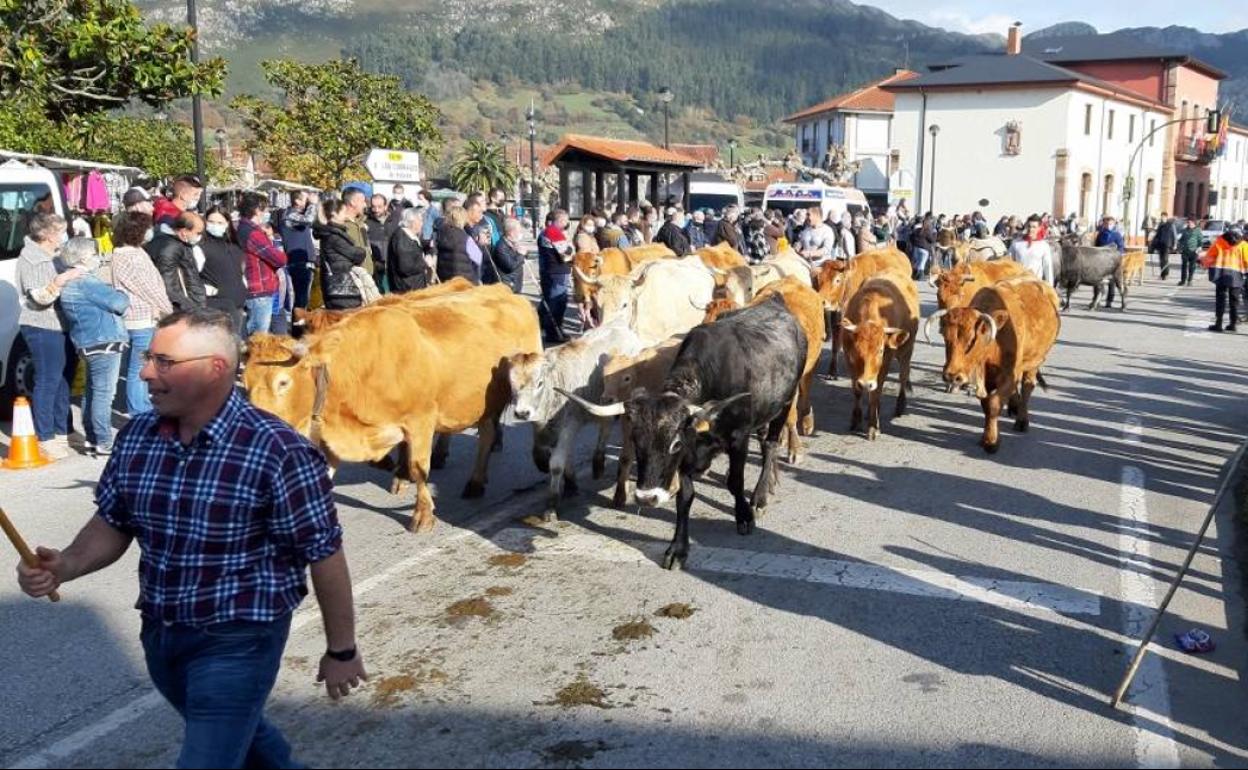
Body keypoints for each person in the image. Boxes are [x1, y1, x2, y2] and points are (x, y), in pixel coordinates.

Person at [16, 307, 366, 768]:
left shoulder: (278, 451)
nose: (144, 373)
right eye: (148, 357)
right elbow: (115, 520)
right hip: (162, 635)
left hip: (240, 640)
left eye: (163, 362)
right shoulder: (139, 435)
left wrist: (341, 649)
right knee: (244, 738)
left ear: (213, 369)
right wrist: (65, 565)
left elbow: (323, 552)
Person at [16, 212, 82, 460]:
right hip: (42, 326)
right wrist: (61, 280)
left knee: (64, 378)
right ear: (45, 234)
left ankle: (63, 429)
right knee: (47, 380)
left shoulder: (54, 255)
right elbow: (38, 298)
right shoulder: (31, 259)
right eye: (59, 232)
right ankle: (45, 437)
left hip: (62, 325)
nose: (62, 236)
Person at [56, 238, 128, 457]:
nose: (98, 258)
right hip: (103, 340)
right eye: (94, 254)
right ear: (84, 257)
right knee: (104, 394)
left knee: (92, 392)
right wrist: (123, 293)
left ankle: (92, 438)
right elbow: (118, 303)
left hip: (87, 341)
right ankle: (104, 441)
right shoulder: (86, 282)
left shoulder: (70, 283)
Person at [110, 212, 173, 416]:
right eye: (147, 227)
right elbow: (148, 288)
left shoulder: (126, 253)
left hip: (136, 317)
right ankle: (139, 411)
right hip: (140, 319)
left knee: (137, 367)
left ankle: (140, 407)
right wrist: (168, 309)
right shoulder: (131, 256)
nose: (150, 231)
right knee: (139, 369)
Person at [236, 193, 288, 337]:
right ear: (258, 210)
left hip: (257, 288)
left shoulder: (243, 228)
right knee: (259, 339)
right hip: (260, 290)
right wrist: (274, 243)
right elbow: (279, 259)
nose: (267, 213)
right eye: (265, 209)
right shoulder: (253, 234)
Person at [199, 207, 248, 337]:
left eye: (220, 223)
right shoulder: (201, 246)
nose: (215, 226)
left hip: (237, 306)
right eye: (211, 221)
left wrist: (244, 287)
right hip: (215, 307)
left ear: (227, 224)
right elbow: (192, 276)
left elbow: (240, 271)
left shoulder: (234, 246)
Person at [145, 212, 207, 313]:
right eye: (198, 233)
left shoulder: (177, 243)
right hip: (183, 309)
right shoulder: (171, 247)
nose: (199, 237)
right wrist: (191, 308)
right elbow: (169, 286)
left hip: (188, 304)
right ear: (184, 231)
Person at [315, 198, 369, 310]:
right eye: (343, 212)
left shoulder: (329, 233)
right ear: (334, 214)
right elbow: (356, 255)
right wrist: (363, 250)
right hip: (342, 288)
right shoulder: (334, 236)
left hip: (338, 287)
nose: (345, 215)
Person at [1201, 226, 1248, 332]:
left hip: (1221, 273)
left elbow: (1210, 256)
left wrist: (1203, 264)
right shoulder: (1243, 245)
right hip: (1236, 275)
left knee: (1220, 299)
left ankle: (1218, 324)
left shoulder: (1220, 241)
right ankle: (1233, 324)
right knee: (1234, 300)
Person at [537, 209, 573, 343]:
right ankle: (554, 332)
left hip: (551, 271)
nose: (566, 223)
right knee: (557, 303)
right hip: (556, 272)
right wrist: (569, 246)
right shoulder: (553, 232)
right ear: (559, 220)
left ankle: (553, 329)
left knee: (552, 301)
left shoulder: (546, 232)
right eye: (564, 220)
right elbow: (566, 253)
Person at [280, 191, 318, 309]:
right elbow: (309, 219)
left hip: (306, 262)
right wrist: (313, 204)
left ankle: (300, 324)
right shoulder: (289, 215)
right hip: (298, 263)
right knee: (301, 300)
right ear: (297, 201)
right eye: (306, 199)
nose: (308, 201)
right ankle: (298, 325)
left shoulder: (298, 214)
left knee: (305, 300)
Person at [387, 207, 431, 294]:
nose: (422, 224)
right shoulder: (402, 239)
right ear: (413, 222)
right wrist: (425, 263)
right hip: (407, 289)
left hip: (412, 286)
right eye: (420, 221)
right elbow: (405, 267)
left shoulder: (407, 236)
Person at [436, 205, 481, 285]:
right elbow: (478, 258)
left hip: (445, 280)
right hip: (464, 281)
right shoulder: (465, 238)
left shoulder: (440, 234)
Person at [1008, 215, 1055, 284]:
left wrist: (1050, 287)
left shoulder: (1044, 246)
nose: (1030, 229)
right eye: (1029, 226)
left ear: (1039, 228)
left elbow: (1048, 268)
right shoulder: (1016, 243)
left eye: (1034, 227)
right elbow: (1008, 263)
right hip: (1018, 285)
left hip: (1036, 285)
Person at [491, 218, 528, 293]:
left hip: (515, 283)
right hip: (507, 285)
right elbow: (510, 266)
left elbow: (522, 258)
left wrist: (524, 252)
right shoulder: (501, 247)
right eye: (519, 231)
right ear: (511, 232)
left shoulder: (513, 243)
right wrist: (521, 254)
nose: (520, 233)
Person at [1095, 216, 1126, 307]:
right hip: (1101, 261)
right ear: (1104, 224)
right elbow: (1096, 247)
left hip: (1112, 261)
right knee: (1097, 281)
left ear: (1113, 225)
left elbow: (1121, 247)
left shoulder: (1117, 235)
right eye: (1106, 224)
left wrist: (1118, 256)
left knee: (1111, 282)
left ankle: (1109, 300)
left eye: (1110, 224)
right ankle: (1097, 299)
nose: (1108, 225)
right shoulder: (1101, 234)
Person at [1149, 212, 1178, 282]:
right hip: (1160, 245)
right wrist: (1153, 244)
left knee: (1165, 259)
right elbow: (1157, 235)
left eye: (1163, 217)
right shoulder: (1160, 225)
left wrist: (1175, 244)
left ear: (1166, 217)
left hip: (1167, 245)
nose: (1162, 218)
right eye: (1161, 217)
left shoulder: (1171, 225)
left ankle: (1166, 274)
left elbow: (1174, 235)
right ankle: (1162, 274)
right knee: (1161, 260)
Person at [1177, 215, 1203, 287]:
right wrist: (1179, 246)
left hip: (1194, 251)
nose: (1189, 223)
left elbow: (1200, 240)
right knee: (1184, 266)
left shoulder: (1198, 230)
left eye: (1191, 222)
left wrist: (1199, 247)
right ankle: (1183, 280)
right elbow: (1181, 239)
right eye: (1188, 222)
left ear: (1194, 223)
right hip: (1185, 250)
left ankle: (1190, 280)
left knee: (1192, 267)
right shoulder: (1185, 230)